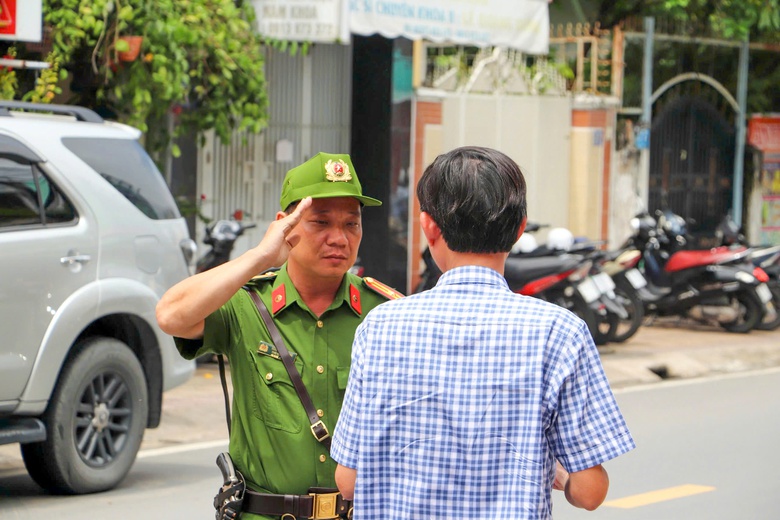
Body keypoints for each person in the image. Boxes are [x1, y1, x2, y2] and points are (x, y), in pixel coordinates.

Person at [331, 146, 636, 519]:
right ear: (519, 229)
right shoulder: (560, 333)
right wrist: (557, 473)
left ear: (428, 226)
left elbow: (348, 479)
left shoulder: (379, 327)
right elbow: (590, 492)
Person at [156, 152, 403, 520]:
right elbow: (171, 315)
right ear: (285, 225)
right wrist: (260, 256)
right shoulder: (246, 304)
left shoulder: (384, 312)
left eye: (351, 224)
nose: (339, 238)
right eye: (320, 222)